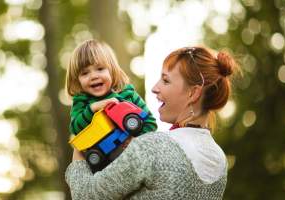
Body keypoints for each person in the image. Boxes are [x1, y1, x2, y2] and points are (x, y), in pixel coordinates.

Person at [65, 45, 238, 199]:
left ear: (193, 93)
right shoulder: (220, 160)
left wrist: (79, 153)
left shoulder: (150, 147)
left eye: (166, 80)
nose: (155, 88)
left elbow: (86, 195)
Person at [65, 39, 157, 171]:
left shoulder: (128, 95)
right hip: (104, 165)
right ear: (77, 80)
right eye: (85, 73)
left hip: (136, 160)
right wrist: (93, 108)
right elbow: (75, 128)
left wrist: (135, 139)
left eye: (100, 69)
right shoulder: (82, 102)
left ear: (112, 71)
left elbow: (150, 123)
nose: (93, 76)